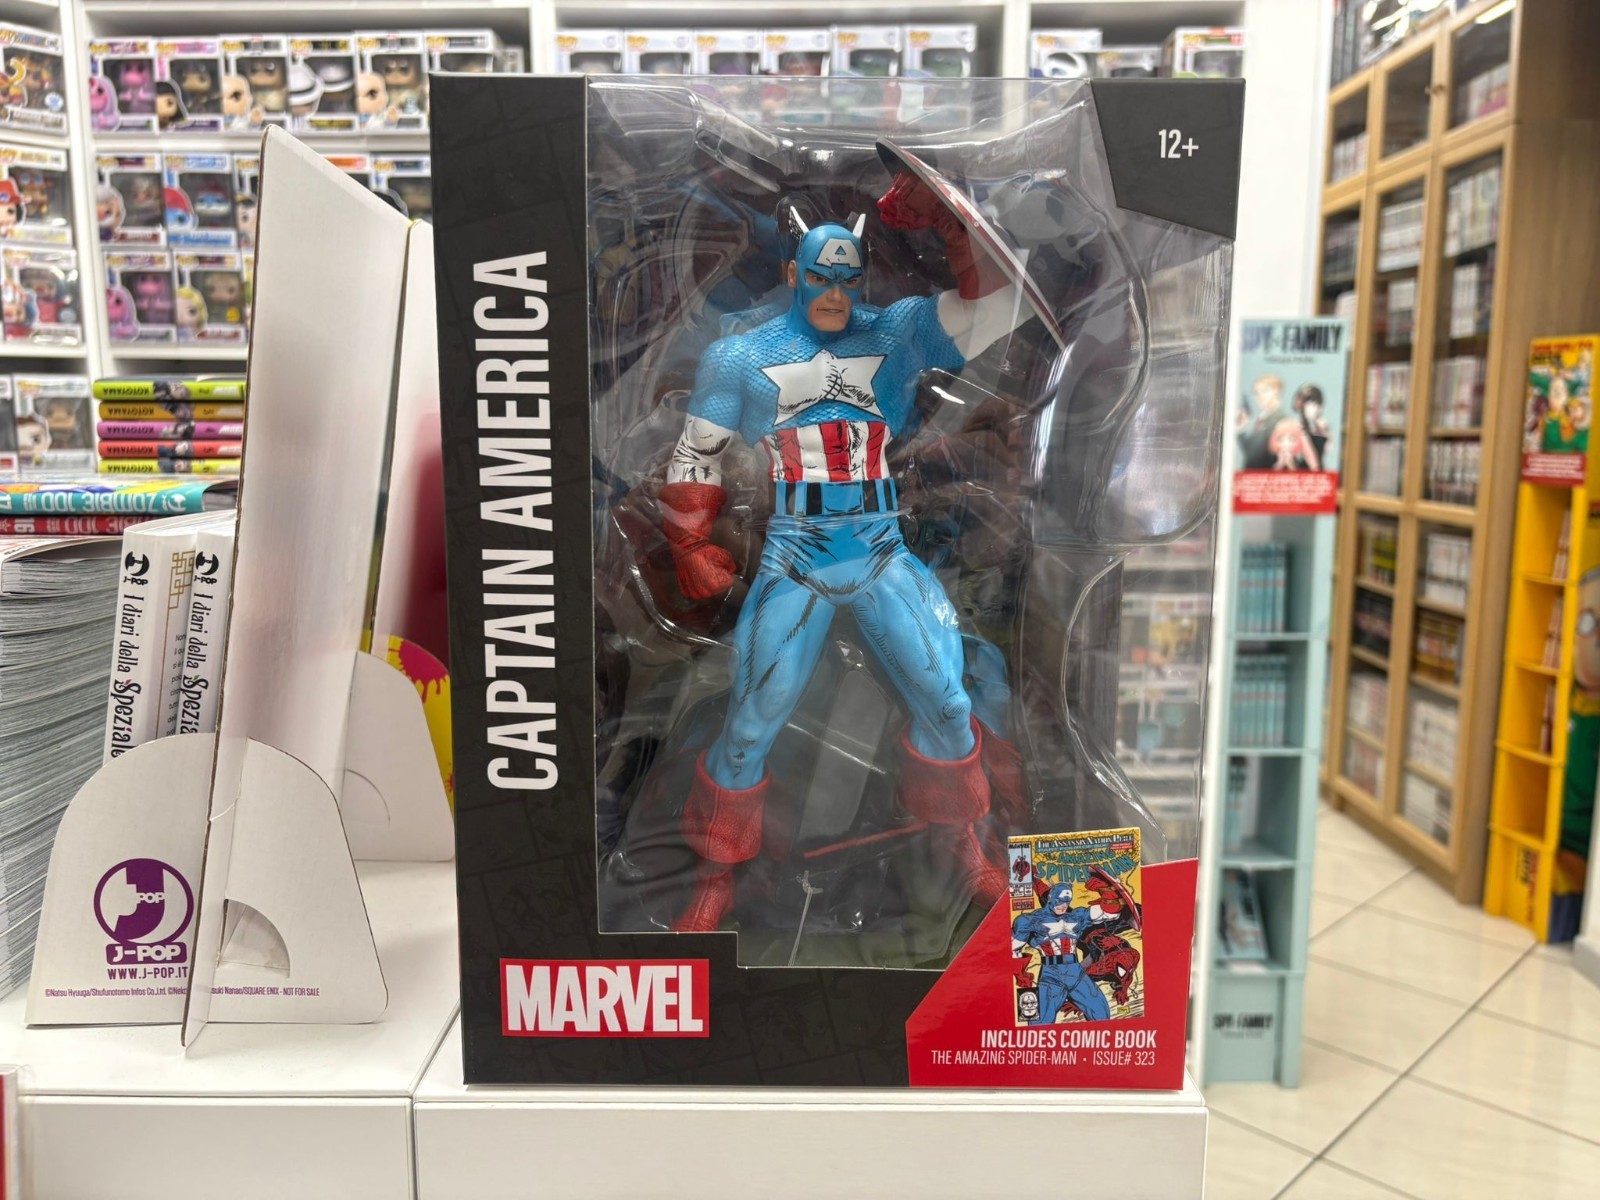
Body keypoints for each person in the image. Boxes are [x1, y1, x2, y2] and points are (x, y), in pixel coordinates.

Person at [656, 168, 1023, 931]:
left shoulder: (895, 332)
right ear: (793, 273)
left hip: (880, 547)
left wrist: (954, 230)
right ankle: (715, 873)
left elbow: (996, 307)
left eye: (847, 277)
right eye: (819, 276)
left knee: (948, 701)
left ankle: (964, 844)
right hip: (796, 555)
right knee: (752, 719)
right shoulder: (741, 356)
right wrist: (688, 542)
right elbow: (696, 454)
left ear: (861, 278)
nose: (833, 291)